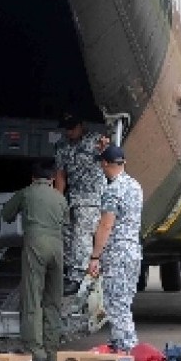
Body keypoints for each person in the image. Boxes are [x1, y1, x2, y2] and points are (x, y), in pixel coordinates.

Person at [1, 160, 68, 361]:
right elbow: (66, 222)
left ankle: (35, 351)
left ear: (33, 178)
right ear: (52, 179)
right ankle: (52, 351)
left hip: (35, 246)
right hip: (57, 248)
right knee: (53, 300)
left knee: (32, 298)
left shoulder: (26, 193)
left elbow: (6, 215)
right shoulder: (60, 197)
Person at [86, 145, 143, 352]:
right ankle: (127, 349)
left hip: (117, 255)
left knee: (115, 307)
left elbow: (106, 225)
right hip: (133, 253)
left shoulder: (113, 190)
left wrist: (95, 256)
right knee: (124, 305)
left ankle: (127, 353)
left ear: (105, 164)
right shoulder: (135, 186)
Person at [54, 111, 108, 295]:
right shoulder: (62, 146)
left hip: (92, 197)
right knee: (66, 232)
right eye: (66, 129)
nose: (69, 132)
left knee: (81, 234)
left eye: (72, 128)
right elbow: (60, 175)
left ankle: (78, 277)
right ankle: (70, 270)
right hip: (73, 196)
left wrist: (105, 146)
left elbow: (108, 155)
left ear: (81, 126)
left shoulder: (95, 141)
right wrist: (58, 200)